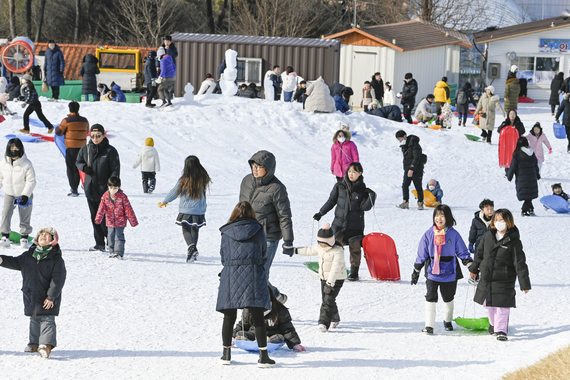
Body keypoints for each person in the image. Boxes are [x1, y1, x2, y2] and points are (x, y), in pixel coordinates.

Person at [216, 201, 275, 368]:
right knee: (257, 318)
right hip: (254, 274)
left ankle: (226, 354)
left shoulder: (226, 232)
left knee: (229, 316)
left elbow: (223, 257)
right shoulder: (258, 229)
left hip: (230, 275)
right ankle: (263, 357)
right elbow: (264, 254)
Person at [0, 227, 66, 358]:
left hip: (48, 296)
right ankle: (34, 344)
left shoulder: (56, 259)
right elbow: (15, 261)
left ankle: (46, 345)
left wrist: (51, 296)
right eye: (41, 234)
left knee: (47, 319)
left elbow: (58, 279)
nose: (43, 236)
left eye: (47, 235)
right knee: (34, 318)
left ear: (53, 240)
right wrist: (1, 260)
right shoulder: (29, 255)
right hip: (31, 294)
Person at [239, 151, 293, 303]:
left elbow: (284, 216)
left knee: (260, 273)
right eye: (253, 166)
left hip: (268, 237)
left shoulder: (277, 188)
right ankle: (275, 295)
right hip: (247, 234)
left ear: (268, 169)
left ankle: (263, 307)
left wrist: (288, 240)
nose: (255, 169)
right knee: (249, 272)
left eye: (259, 167)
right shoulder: (246, 181)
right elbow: (240, 207)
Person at [469, 209, 531, 341]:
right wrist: (474, 269)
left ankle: (501, 330)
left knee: (502, 306)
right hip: (487, 277)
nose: (498, 223)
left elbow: (520, 263)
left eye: (501, 220)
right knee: (487, 305)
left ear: (508, 222)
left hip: (504, 279)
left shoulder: (514, 242)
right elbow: (479, 254)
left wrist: (524, 283)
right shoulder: (488, 236)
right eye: (496, 220)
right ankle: (493, 324)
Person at [411, 204, 473, 334]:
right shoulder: (429, 234)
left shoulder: (454, 234)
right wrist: (416, 270)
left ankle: (447, 320)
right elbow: (422, 254)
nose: (439, 219)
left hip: (450, 272)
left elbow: (462, 252)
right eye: (436, 215)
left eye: (442, 215)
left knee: (448, 297)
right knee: (430, 297)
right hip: (433, 272)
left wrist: (469, 264)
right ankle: (429, 326)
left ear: (448, 217)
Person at [313, 162, 376, 281]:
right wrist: (320, 213)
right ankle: (331, 269)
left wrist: (372, 196)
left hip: (355, 225)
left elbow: (365, 207)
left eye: (354, 172)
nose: (351, 174)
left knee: (355, 249)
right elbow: (331, 202)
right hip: (339, 224)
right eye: (349, 171)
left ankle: (354, 273)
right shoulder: (339, 186)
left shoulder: (362, 190)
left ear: (360, 173)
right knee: (333, 247)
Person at [295, 223, 348, 331]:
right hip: (324, 277)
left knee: (327, 301)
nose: (322, 246)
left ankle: (323, 323)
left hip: (336, 279)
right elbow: (308, 250)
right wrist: (294, 250)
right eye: (320, 243)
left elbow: (335, 268)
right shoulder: (320, 247)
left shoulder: (338, 251)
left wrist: (330, 283)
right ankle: (335, 318)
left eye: (324, 244)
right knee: (327, 299)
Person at [76, 124, 120, 251]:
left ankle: (112, 242)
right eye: (93, 136)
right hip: (90, 188)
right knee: (95, 216)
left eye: (98, 136)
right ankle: (99, 243)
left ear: (103, 135)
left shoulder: (110, 151)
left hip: (106, 190)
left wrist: (112, 187)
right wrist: (84, 168)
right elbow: (78, 161)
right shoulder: (86, 149)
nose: (95, 138)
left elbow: (115, 169)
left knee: (107, 217)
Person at [160, 155, 210, 262]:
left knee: (186, 228)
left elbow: (174, 192)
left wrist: (165, 201)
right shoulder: (203, 179)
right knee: (195, 229)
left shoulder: (184, 180)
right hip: (199, 210)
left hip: (186, 210)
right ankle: (193, 252)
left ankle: (191, 247)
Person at [233, 287, 305, 351]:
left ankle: (267, 341)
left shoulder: (279, 309)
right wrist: (232, 337)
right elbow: (243, 325)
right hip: (254, 335)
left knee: (279, 337)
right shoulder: (249, 309)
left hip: (272, 336)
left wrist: (294, 344)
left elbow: (287, 329)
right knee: (240, 333)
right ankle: (245, 339)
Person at [0, 138, 36, 248]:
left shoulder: (26, 163)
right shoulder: (3, 163)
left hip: (24, 194)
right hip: (9, 193)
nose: (14, 150)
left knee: (25, 215)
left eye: (16, 148)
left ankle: (24, 237)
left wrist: (25, 195)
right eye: (12, 147)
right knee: (6, 214)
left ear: (20, 149)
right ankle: (5, 236)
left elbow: (31, 181)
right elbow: (1, 178)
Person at [95, 176, 138, 259]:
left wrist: (133, 221)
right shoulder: (105, 196)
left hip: (120, 221)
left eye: (115, 188)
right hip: (110, 221)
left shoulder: (123, 197)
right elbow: (101, 208)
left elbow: (128, 209)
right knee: (110, 237)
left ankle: (118, 253)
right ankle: (112, 251)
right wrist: (98, 218)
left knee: (118, 236)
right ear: (108, 186)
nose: (112, 189)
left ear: (119, 187)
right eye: (111, 187)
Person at [54, 101, 89, 197]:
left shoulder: (66, 121)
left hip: (71, 148)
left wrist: (57, 128)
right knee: (81, 168)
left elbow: (59, 132)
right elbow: (87, 131)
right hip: (82, 148)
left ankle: (74, 189)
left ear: (69, 109)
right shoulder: (85, 120)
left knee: (71, 169)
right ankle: (86, 186)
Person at [506, 137, 540, 216]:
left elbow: (513, 166)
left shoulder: (517, 153)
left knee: (526, 195)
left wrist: (509, 176)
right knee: (529, 194)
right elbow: (536, 165)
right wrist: (537, 175)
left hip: (522, 178)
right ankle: (530, 209)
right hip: (532, 177)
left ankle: (525, 211)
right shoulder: (531, 152)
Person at [395, 130, 426, 210]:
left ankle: (420, 203)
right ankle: (405, 202)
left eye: (401, 138)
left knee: (418, 186)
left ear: (405, 136)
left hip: (417, 169)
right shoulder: (404, 145)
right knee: (405, 185)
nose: (400, 140)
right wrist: (407, 169)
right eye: (398, 139)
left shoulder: (414, 144)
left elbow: (417, 157)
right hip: (407, 169)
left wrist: (411, 168)